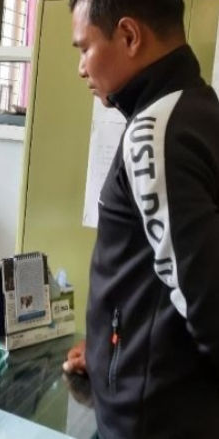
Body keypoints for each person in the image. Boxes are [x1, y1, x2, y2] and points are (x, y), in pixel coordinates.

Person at [63, 0, 219, 437]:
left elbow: (208, 305)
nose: (81, 68)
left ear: (129, 36)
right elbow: (159, 282)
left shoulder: (154, 131)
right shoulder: (197, 108)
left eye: (84, 48)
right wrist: (106, 350)